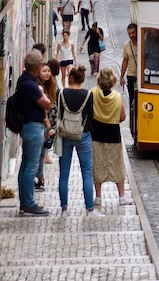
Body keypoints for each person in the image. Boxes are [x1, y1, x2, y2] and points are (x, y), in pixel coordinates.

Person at [57, 65, 102, 217]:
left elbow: (58, 113)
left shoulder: (61, 93)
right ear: (82, 79)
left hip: (65, 135)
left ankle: (64, 209)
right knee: (87, 172)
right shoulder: (88, 95)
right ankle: (90, 209)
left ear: (70, 78)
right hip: (83, 135)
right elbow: (91, 116)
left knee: (64, 173)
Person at [16, 50, 52, 216]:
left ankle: (25, 202)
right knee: (31, 167)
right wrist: (45, 96)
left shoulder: (25, 80)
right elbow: (47, 104)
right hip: (33, 127)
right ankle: (29, 203)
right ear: (37, 66)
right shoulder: (30, 84)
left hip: (29, 127)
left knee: (25, 166)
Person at [91, 67, 132, 206]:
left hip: (96, 133)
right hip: (113, 134)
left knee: (98, 164)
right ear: (113, 80)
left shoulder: (93, 93)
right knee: (117, 165)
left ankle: (98, 197)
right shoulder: (117, 97)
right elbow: (122, 117)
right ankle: (121, 197)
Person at [34, 62, 57, 190]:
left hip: (43, 125)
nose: (47, 73)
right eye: (44, 71)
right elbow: (43, 112)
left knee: (42, 153)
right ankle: (39, 179)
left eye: (49, 71)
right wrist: (49, 127)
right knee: (39, 154)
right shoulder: (39, 88)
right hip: (41, 125)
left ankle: (40, 178)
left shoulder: (48, 87)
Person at [120, 23, 138, 110]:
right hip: (131, 76)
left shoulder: (143, 43)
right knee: (132, 101)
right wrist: (121, 77)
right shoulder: (127, 45)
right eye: (129, 33)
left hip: (142, 77)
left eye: (133, 33)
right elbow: (125, 61)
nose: (131, 35)